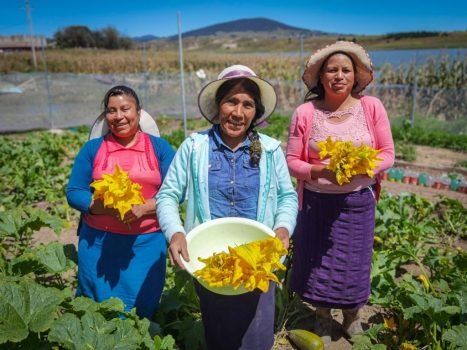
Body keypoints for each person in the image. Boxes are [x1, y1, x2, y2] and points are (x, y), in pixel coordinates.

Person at [156, 65, 298, 350]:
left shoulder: (269, 150)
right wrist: (176, 233)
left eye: (247, 105)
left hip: (259, 260)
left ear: (255, 112)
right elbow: (168, 195)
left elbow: (287, 197)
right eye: (231, 101)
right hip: (212, 259)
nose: (238, 112)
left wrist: (283, 228)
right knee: (218, 331)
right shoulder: (194, 147)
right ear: (218, 106)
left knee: (257, 334)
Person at [286, 41, 395, 343]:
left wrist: (364, 167)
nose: (338, 75)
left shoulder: (371, 107)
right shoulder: (305, 113)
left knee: (354, 264)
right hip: (317, 203)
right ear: (320, 77)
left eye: (345, 70)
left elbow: (387, 153)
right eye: (331, 70)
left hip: (358, 203)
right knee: (317, 263)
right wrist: (320, 171)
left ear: (355, 76)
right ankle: (322, 316)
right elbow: (293, 162)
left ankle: (352, 316)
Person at [66, 85, 175, 319]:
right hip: (98, 244)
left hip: (146, 244)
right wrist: (104, 207)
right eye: (111, 111)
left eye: (125, 108)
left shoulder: (160, 148)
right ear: (105, 116)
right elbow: (74, 191)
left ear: (138, 112)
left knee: (141, 309)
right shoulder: (93, 149)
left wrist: (143, 208)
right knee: (96, 309)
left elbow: (176, 190)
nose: (119, 116)